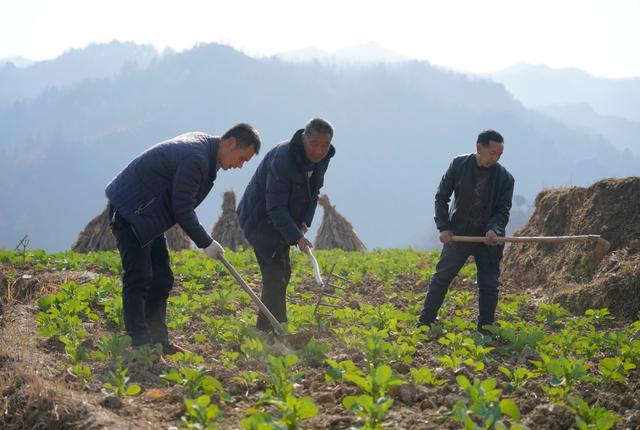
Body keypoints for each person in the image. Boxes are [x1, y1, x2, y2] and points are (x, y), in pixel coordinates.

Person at [105, 124, 261, 352]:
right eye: (242, 158)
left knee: (162, 278)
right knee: (138, 277)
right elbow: (182, 208)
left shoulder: (205, 152)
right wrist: (206, 242)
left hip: (149, 215)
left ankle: (159, 342)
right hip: (131, 211)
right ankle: (140, 345)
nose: (240, 165)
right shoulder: (196, 157)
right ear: (230, 143)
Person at [237, 118, 335, 332]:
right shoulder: (284, 159)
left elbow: (314, 191)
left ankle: (265, 329)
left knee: (283, 273)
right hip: (260, 219)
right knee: (275, 276)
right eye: (315, 144)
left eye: (325, 145)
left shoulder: (322, 158)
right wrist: (296, 237)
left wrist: (304, 222)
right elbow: (275, 206)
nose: (319, 151)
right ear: (303, 139)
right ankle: (277, 332)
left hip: (283, 220)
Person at [417, 129, 514, 335]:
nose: (495, 158)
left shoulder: (505, 179)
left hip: (488, 241)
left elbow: (502, 210)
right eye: (492, 153)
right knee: (441, 279)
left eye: (499, 155)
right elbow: (441, 197)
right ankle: (424, 324)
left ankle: (485, 331)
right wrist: (444, 227)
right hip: (459, 234)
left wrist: (494, 229)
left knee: (489, 285)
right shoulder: (459, 165)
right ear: (479, 148)